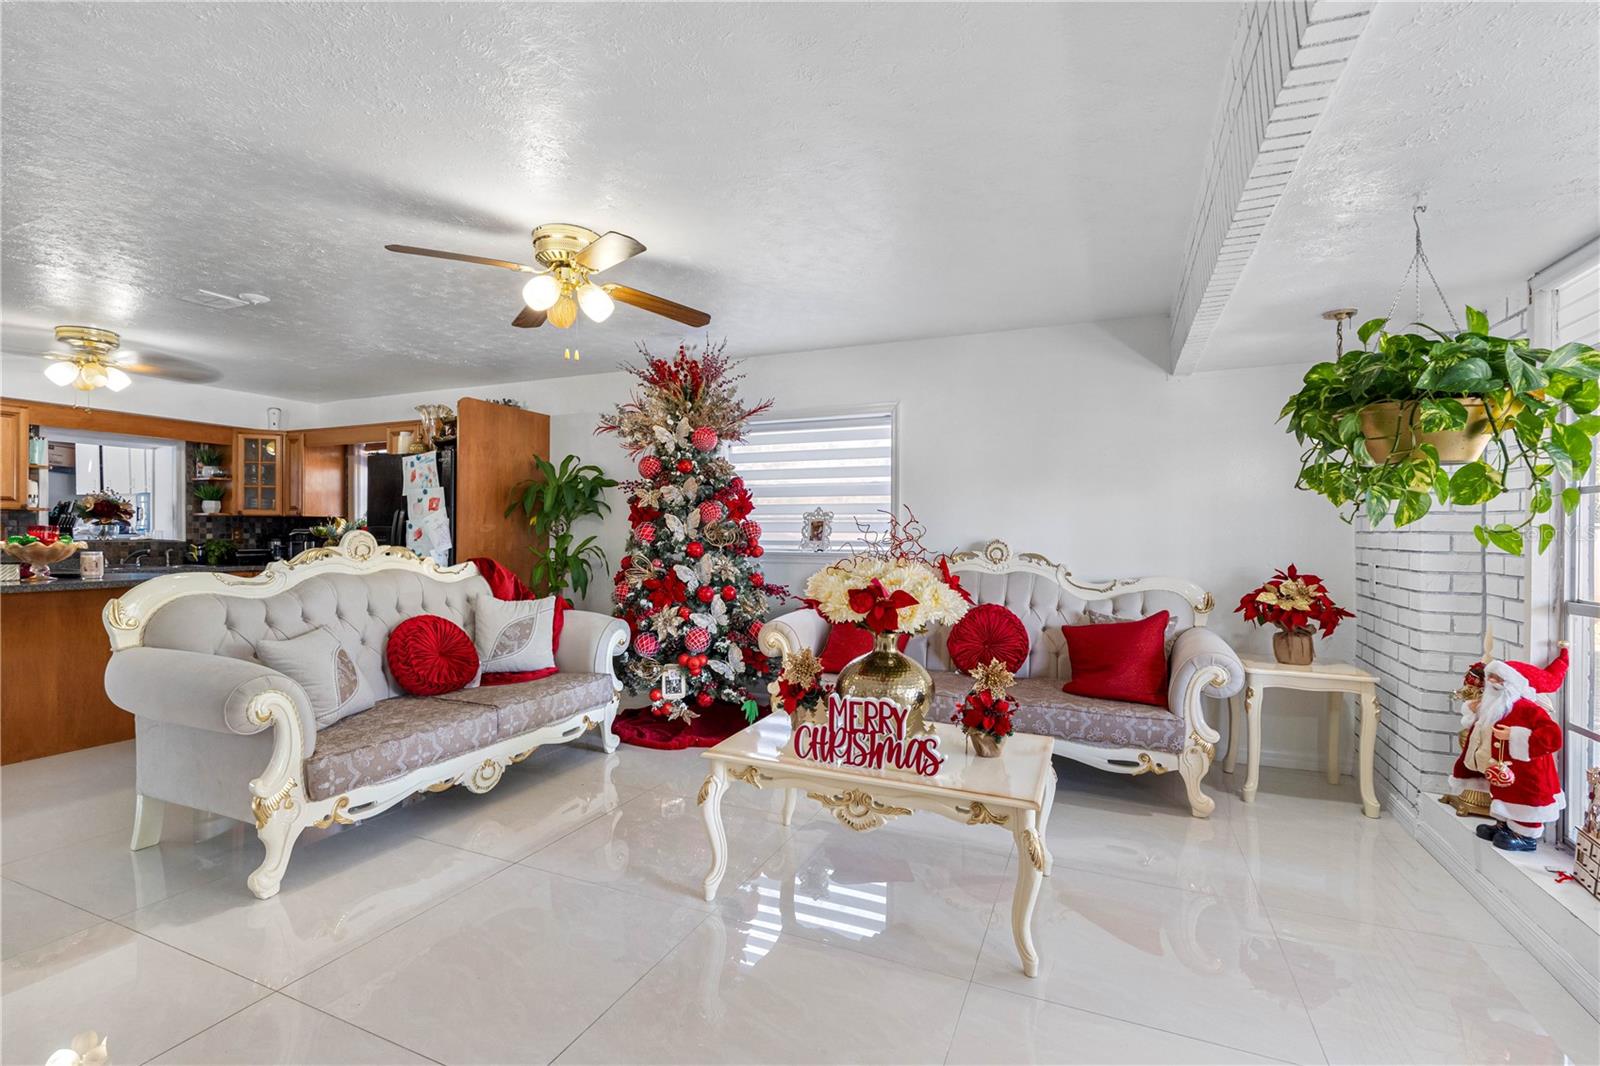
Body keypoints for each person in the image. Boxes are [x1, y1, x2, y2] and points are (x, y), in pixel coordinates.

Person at [1457, 650, 1568, 852]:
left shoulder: (1528, 708)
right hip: (1502, 767)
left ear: (1513, 683)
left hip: (1526, 769)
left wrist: (1515, 735)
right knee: (1504, 793)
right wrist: (1473, 711)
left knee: (1525, 799)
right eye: (1490, 676)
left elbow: (1553, 736)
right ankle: (1504, 825)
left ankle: (1526, 835)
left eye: (1499, 678)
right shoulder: (1494, 705)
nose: (1492, 681)